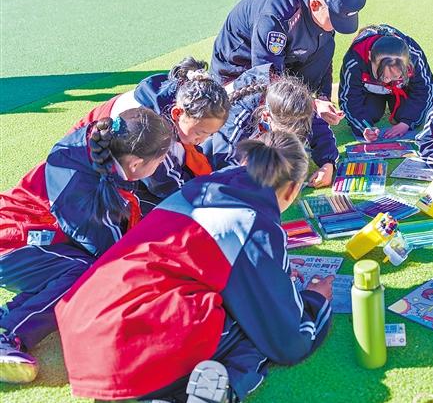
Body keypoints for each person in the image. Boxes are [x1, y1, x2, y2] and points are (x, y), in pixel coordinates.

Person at [55, 131, 333, 403]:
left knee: (234, 306)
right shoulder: (254, 221)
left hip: (83, 331)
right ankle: (209, 398)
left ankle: (133, 401)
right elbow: (288, 342)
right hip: (130, 342)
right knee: (257, 325)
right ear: (292, 189)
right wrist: (316, 301)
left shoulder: (200, 185)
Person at [0, 109, 173, 384]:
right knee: (88, 273)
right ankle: (8, 332)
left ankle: (9, 315)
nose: (162, 166)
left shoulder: (108, 150)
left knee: (84, 268)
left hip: (41, 237)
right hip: (13, 240)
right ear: (137, 163)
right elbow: (109, 253)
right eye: (160, 161)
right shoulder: (79, 182)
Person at [210, 0, 367, 126]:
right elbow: (265, 75)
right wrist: (310, 104)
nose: (335, 26)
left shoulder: (322, 11)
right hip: (239, 72)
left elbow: (324, 57)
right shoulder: (275, 17)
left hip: (282, 60)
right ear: (315, 5)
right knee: (255, 128)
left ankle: (301, 110)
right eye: (334, 19)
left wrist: (323, 97)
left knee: (325, 45)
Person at [74, 57, 231, 211]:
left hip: (116, 155)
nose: (202, 140)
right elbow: (166, 186)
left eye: (209, 134)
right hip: (88, 164)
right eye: (200, 133)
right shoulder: (151, 132)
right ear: (177, 113)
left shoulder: (183, 96)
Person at [202, 73, 338, 188]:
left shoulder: (298, 106)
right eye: (284, 134)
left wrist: (327, 163)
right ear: (266, 117)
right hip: (213, 147)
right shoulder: (239, 115)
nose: (288, 140)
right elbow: (225, 162)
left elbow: (320, 131)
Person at [338, 24, 433, 141]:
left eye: (395, 76)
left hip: (401, 90)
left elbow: (425, 90)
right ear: (369, 56)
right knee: (371, 112)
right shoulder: (354, 59)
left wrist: (407, 123)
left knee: (404, 114)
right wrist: (364, 127)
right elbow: (349, 99)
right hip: (370, 92)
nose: (387, 80)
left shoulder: (414, 56)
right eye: (381, 75)